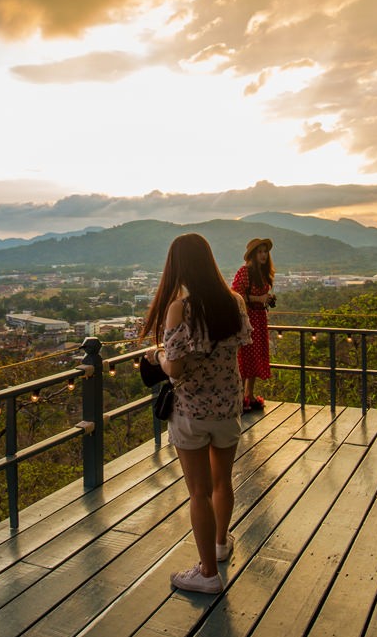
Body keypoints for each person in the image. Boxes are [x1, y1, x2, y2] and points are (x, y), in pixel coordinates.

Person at [141, 233, 251, 594]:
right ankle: (220, 543)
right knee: (223, 481)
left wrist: (156, 357)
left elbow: (175, 369)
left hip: (191, 411)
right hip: (228, 407)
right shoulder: (234, 303)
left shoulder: (181, 309)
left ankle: (206, 573)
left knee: (198, 492)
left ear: (179, 267)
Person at [230, 237, 275, 413]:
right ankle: (240, 397)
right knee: (245, 356)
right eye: (260, 252)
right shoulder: (244, 272)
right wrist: (259, 298)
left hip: (260, 318)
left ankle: (250, 394)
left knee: (256, 356)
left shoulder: (263, 273)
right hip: (248, 320)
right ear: (253, 254)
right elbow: (236, 296)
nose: (263, 255)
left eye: (265, 252)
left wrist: (267, 300)